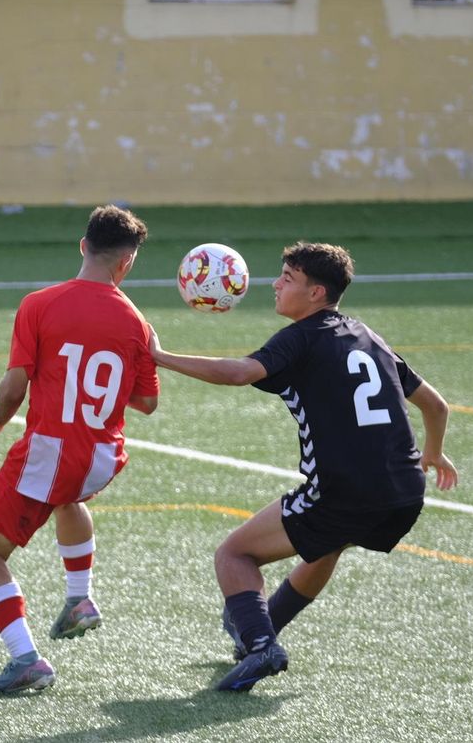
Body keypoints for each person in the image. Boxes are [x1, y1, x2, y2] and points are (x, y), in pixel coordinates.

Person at [149, 241, 457, 692]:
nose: (274, 284)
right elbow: (436, 405)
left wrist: (160, 356)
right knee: (325, 545)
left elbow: (238, 372)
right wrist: (433, 451)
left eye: (287, 278)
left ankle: (260, 645)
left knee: (234, 555)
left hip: (346, 490)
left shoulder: (302, 336)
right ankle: (258, 629)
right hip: (406, 492)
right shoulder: (365, 335)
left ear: (316, 293)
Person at [0, 204, 161, 695]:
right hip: (103, 456)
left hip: (51, 453)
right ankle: (79, 600)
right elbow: (148, 402)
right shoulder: (139, 323)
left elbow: (13, 387)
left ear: (83, 245)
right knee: (68, 498)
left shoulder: (40, 304)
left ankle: (26, 659)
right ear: (127, 263)